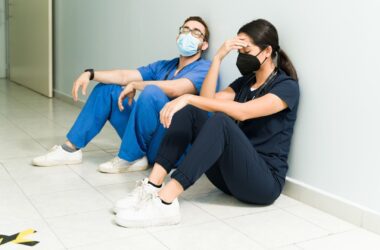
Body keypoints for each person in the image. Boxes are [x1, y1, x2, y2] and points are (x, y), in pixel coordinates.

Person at [113, 19, 300, 228]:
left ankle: (165, 202)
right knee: (192, 111)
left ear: (266, 52)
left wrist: (187, 97)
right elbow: (207, 99)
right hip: (230, 178)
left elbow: (244, 112)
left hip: (262, 184)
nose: (241, 56)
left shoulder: (286, 87)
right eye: (238, 51)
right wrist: (218, 57)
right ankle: (151, 186)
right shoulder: (245, 83)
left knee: (219, 119)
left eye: (245, 49)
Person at [32, 16, 212, 173]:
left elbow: (176, 89)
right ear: (178, 36)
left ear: (204, 44)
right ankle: (70, 150)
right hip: (147, 140)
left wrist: (137, 85)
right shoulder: (165, 65)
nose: (188, 34)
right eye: (185, 29)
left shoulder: (205, 68)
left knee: (152, 92)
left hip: (172, 147)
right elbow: (123, 76)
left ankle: (130, 156)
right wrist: (90, 73)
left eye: (196, 32)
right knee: (107, 89)